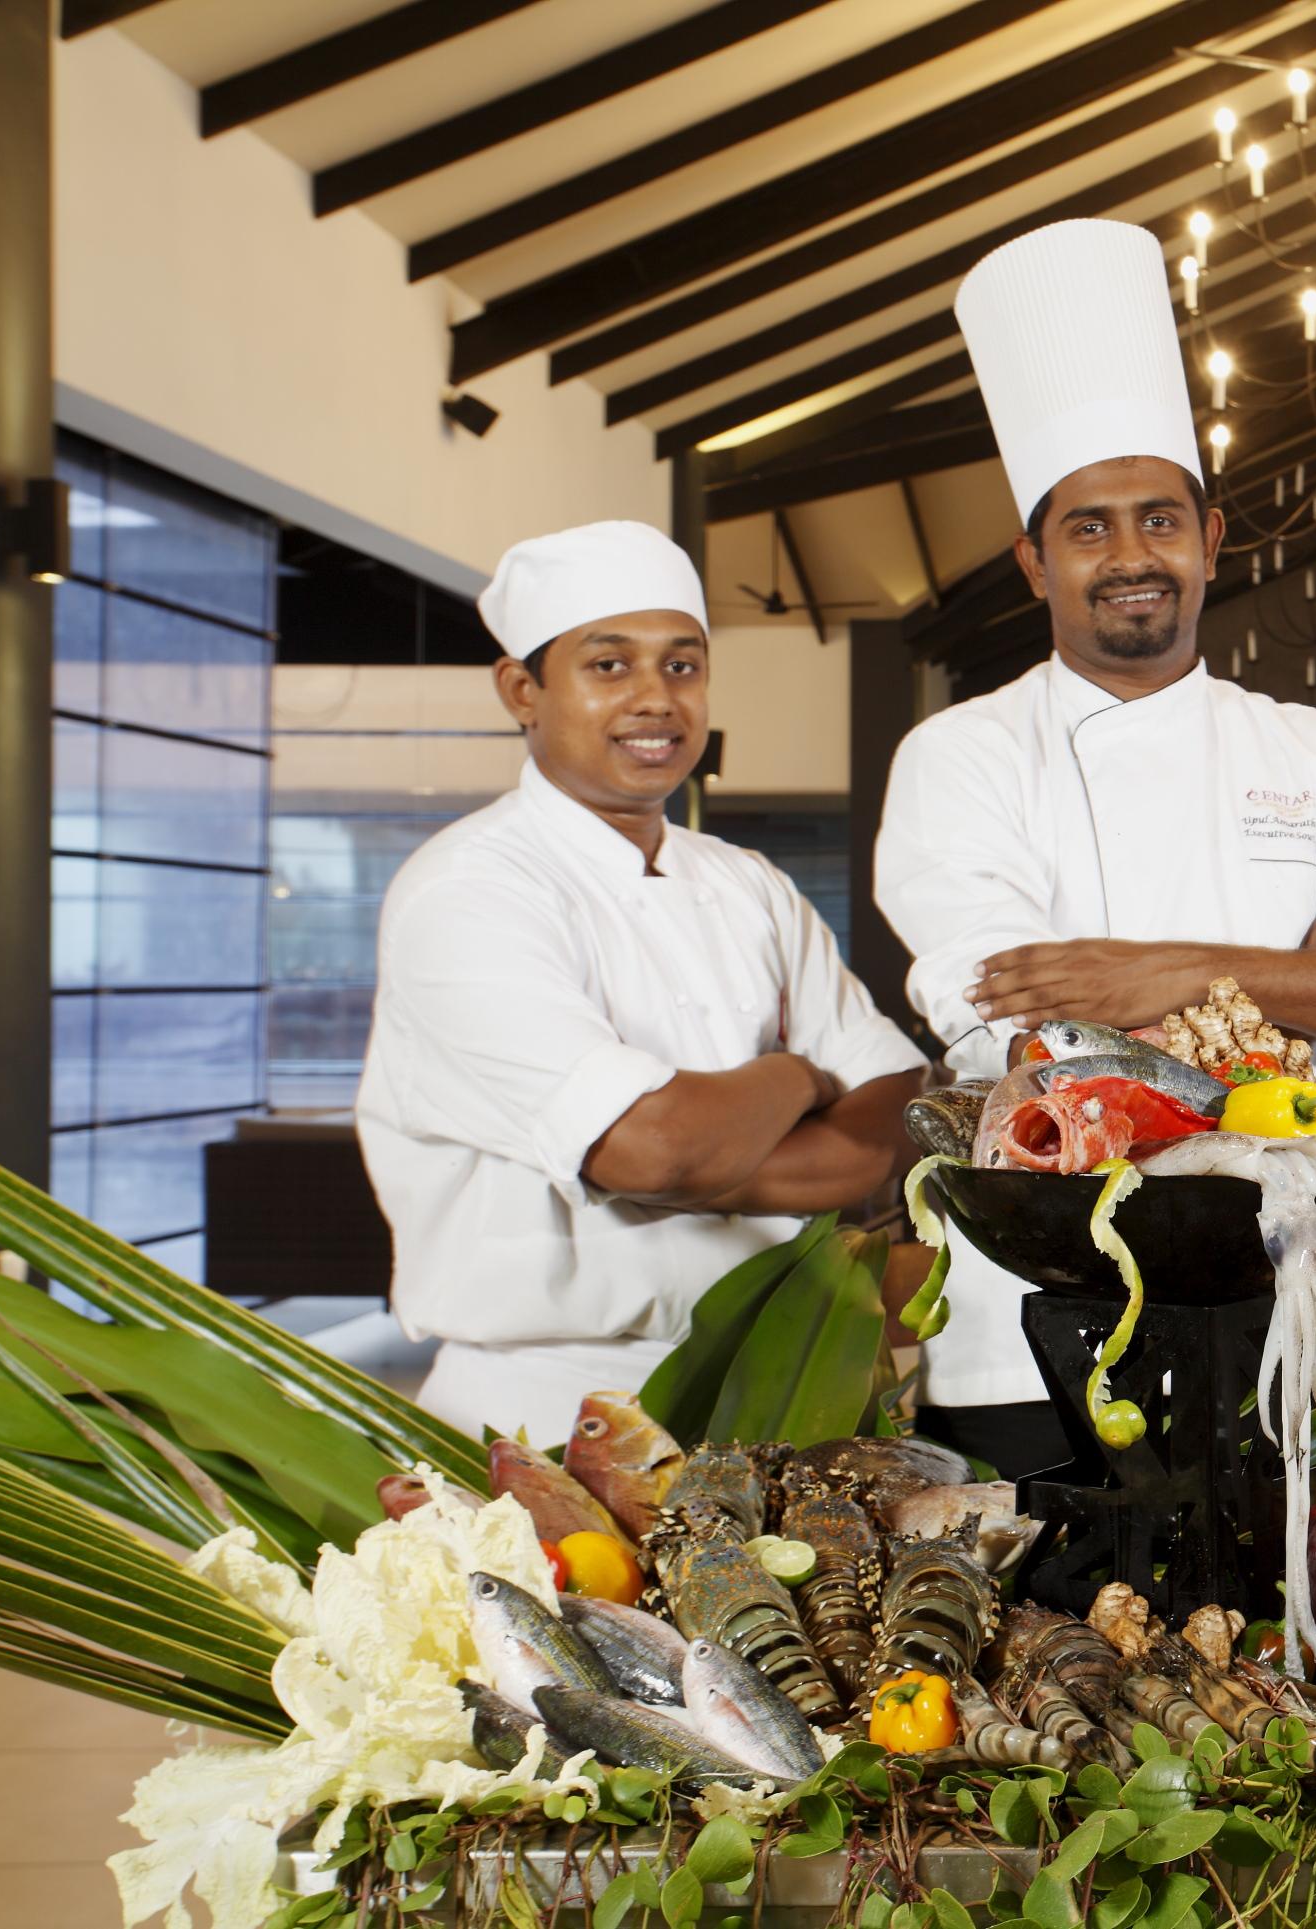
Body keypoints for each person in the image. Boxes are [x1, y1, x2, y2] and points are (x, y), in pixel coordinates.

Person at [875, 220, 1316, 1459]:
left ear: (1211, 541)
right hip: (1024, 1338)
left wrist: (1171, 977)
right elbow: (1029, 1051)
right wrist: (1304, 1002)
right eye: (1088, 528)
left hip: (1288, 1307)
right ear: (1034, 562)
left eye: (1159, 519)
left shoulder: (1310, 750)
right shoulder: (961, 758)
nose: (1129, 556)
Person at [357, 521, 927, 1443]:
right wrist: (799, 1081)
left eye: (682, 665)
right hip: (549, 1405)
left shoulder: (749, 883)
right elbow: (653, 1149)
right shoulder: (468, 888)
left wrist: (708, 1150)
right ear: (522, 690)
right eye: (609, 666)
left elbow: (894, 1108)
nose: (655, 700)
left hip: (780, 1383)